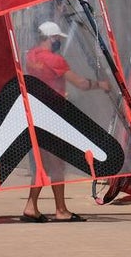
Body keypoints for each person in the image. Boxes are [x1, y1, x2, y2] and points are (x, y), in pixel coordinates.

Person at [21, 20, 110, 223]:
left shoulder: (31, 56)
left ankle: (30, 206)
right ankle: (61, 210)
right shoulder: (55, 60)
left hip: (36, 116)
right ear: (51, 38)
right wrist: (101, 84)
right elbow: (81, 83)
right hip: (52, 117)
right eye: (57, 39)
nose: (59, 42)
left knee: (41, 166)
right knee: (57, 166)